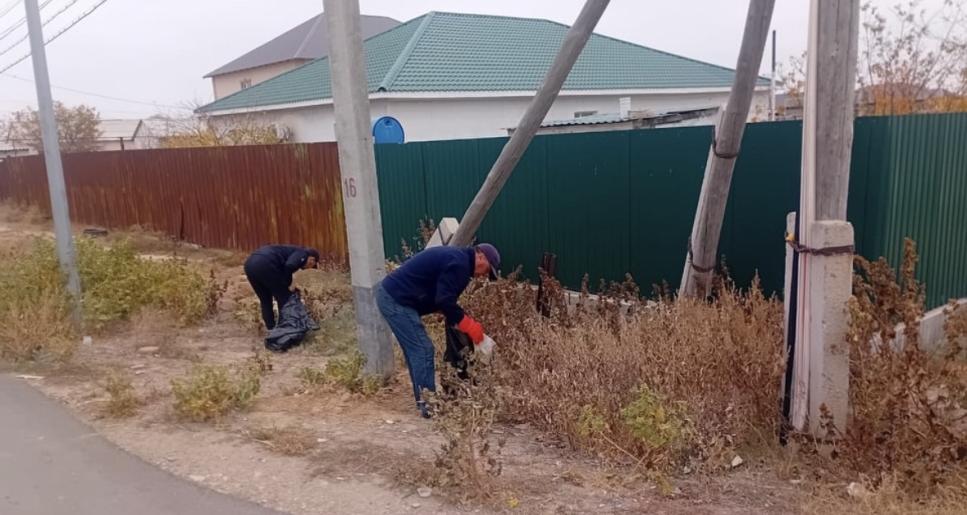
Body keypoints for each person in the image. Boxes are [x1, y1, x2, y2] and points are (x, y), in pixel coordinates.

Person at [375, 243, 500, 418]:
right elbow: (445, 300)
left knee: (415, 350)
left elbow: (442, 296)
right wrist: (470, 326)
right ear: (481, 257)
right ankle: (429, 406)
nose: (484, 275)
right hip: (396, 300)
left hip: (392, 295)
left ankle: (424, 401)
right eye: (487, 270)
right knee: (423, 349)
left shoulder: (459, 260)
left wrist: (457, 319)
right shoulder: (460, 265)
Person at [244, 245, 319, 331]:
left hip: (249, 265)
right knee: (284, 298)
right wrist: (288, 284)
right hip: (265, 263)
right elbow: (290, 265)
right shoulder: (303, 253)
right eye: (312, 265)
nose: (308, 268)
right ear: (312, 259)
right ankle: (285, 327)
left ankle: (271, 329)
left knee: (265, 300)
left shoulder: (289, 251)